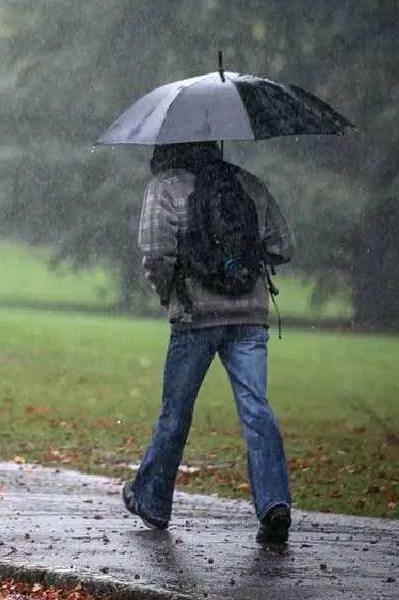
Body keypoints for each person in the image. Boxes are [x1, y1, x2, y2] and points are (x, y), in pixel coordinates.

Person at [122, 141, 295, 545]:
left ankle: (152, 501)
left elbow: (154, 252)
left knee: (175, 413)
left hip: (194, 317)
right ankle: (274, 504)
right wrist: (238, 260)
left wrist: (172, 291)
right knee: (256, 408)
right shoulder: (248, 184)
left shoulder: (164, 188)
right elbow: (283, 248)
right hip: (249, 317)